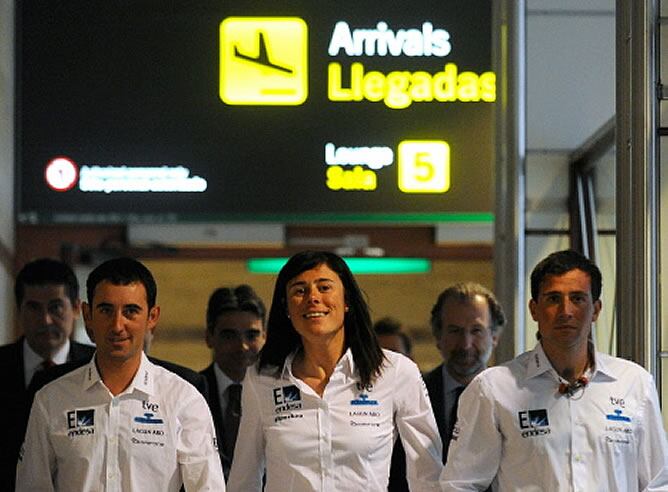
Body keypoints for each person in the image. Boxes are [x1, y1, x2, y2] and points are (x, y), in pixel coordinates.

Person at [441, 250, 668, 491]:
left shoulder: (633, 383)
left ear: (596, 310)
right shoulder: (493, 389)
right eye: (553, 299)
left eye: (578, 298)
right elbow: (460, 485)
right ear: (534, 309)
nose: (565, 311)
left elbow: (659, 483)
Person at [227, 251, 443, 492]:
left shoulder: (395, 372)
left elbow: (427, 474)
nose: (313, 298)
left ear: (347, 300)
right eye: (300, 290)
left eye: (324, 287)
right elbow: (244, 479)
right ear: (286, 308)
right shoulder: (261, 379)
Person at [17, 257, 225, 491]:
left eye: (131, 311)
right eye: (106, 310)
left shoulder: (183, 400)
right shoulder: (51, 399)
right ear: (87, 315)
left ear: (152, 317)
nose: (117, 325)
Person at [0, 258, 95, 491]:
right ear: (18, 309)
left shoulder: (98, 366)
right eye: (34, 307)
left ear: (76, 308)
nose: (45, 320)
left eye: (55, 307)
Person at [423, 282, 505, 463]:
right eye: (454, 331)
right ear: (438, 336)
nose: (465, 344)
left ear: (494, 337)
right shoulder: (414, 394)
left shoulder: (511, 398)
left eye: (476, 331)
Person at [201, 285, 267, 480]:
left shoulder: (278, 393)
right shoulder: (190, 392)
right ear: (209, 337)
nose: (242, 346)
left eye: (252, 335)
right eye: (230, 335)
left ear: (265, 336)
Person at [373, 316, 414, 492]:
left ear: (410, 359)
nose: (385, 364)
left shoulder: (425, 402)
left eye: (393, 355)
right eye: (378, 355)